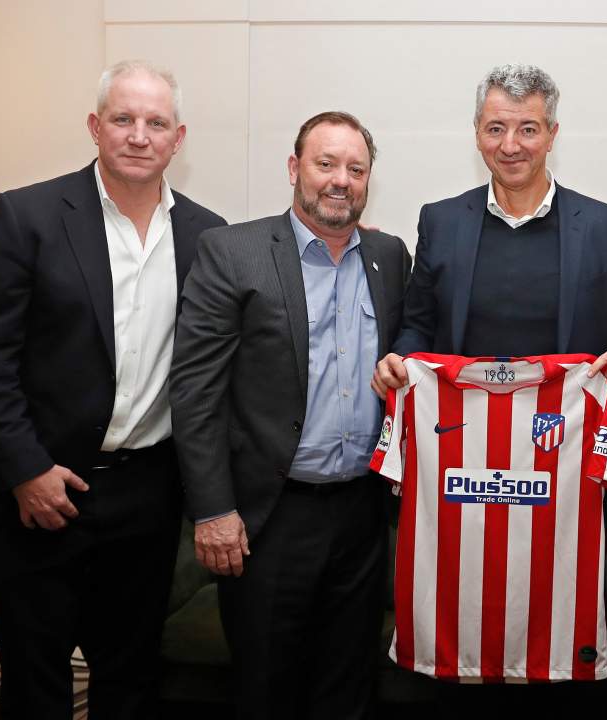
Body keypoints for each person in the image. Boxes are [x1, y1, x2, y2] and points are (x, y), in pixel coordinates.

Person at [0, 60, 225, 718]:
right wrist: (25, 470)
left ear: (178, 138)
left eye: (155, 123)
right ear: (95, 127)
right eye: (124, 119)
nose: (139, 135)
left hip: (146, 496)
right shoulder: (26, 216)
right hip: (40, 493)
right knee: (34, 679)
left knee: (130, 677)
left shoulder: (207, 236)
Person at [169, 111, 410, 719]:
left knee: (348, 683)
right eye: (325, 163)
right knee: (268, 686)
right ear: (294, 167)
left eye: (356, 169)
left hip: (361, 512)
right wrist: (215, 510)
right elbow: (196, 391)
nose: (340, 180)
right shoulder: (233, 250)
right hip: (269, 516)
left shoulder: (389, 256)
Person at [372, 63, 607, 406]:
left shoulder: (606, 228)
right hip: (459, 436)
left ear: (552, 134)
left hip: (568, 437)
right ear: (477, 133)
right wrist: (399, 361)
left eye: (528, 129)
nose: (510, 145)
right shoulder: (440, 222)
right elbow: (417, 327)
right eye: (495, 128)